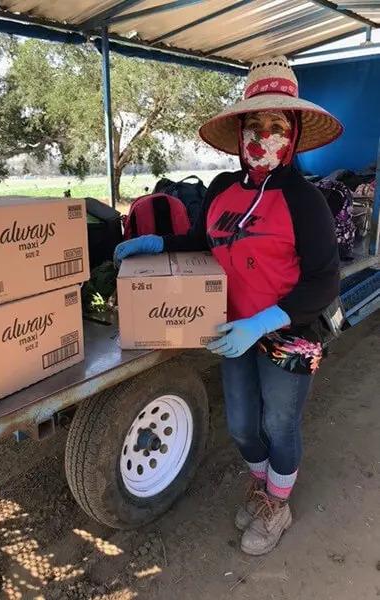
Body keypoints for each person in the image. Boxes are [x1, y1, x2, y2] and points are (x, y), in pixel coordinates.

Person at [114, 56, 342, 555]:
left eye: (275, 126)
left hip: (287, 330)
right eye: (252, 125)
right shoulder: (220, 190)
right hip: (232, 328)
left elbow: (325, 280)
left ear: (294, 133)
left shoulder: (306, 202)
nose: (262, 138)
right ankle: (262, 486)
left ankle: (276, 504)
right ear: (238, 133)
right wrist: (157, 244)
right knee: (241, 425)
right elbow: (203, 238)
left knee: (278, 424)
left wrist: (265, 320)